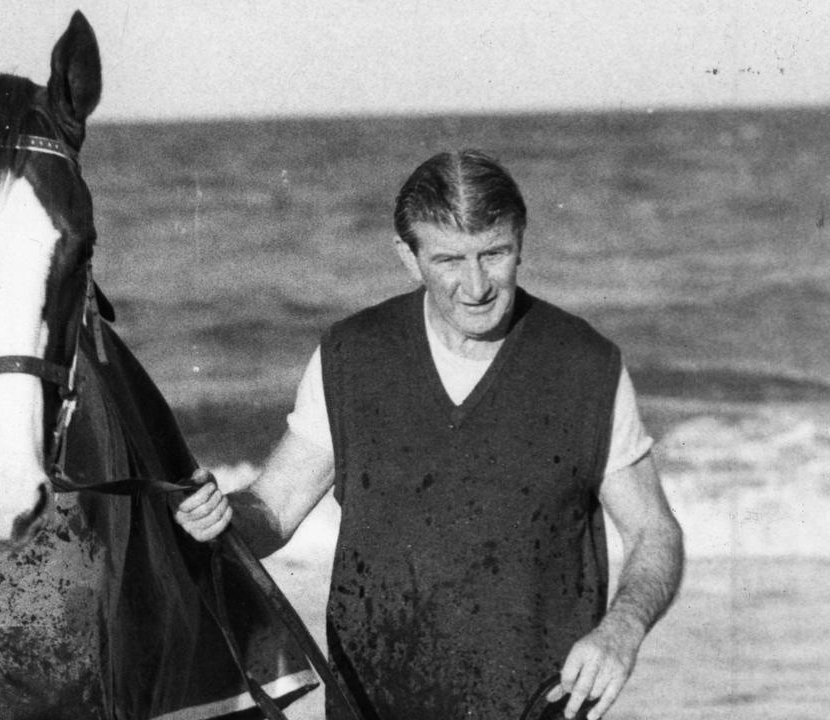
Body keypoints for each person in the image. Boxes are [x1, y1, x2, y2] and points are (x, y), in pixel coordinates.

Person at [175, 150, 683, 720]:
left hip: (536, 707)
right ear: (408, 258)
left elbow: (653, 531)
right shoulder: (352, 356)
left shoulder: (585, 367)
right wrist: (219, 516)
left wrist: (623, 629)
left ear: (521, 241)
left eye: (495, 254)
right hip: (371, 704)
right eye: (449, 260)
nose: (475, 286)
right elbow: (274, 509)